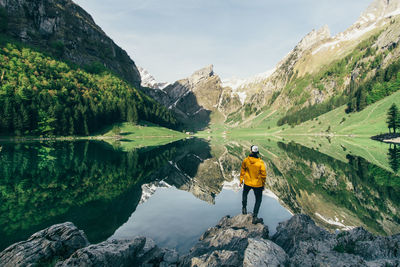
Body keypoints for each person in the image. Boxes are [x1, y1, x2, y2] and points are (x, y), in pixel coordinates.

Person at [239, 145, 266, 224]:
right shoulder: (260, 162)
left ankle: (244, 209)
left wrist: (241, 181)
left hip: (247, 182)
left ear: (251, 151)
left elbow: (242, 171)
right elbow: (263, 175)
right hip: (257, 184)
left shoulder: (246, 160)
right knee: (258, 200)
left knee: (245, 194)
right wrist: (263, 184)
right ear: (257, 152)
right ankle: (255, 217)